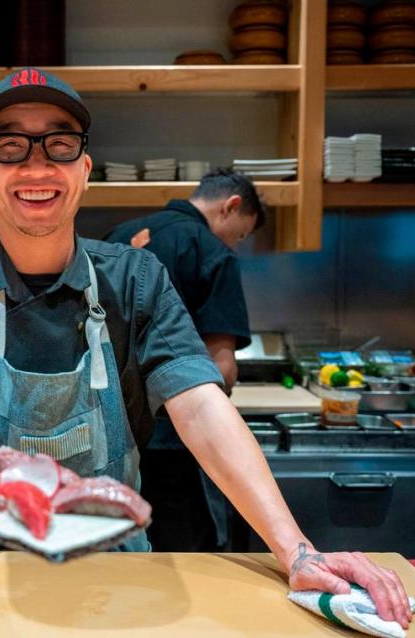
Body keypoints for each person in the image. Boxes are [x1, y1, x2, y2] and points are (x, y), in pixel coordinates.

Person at [0, 67, 413, 630]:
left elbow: (200, 406)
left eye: (60, 143)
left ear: (85, 170)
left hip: (120, 579)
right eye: (10, 144)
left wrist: (297, 551)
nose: (37, 164)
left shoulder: (138, 280)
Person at [104, 171, 263, 553]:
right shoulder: (211, 251)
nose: (235, 243)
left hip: (106, 434)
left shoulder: (114, 237)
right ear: (231, 207)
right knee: (183, 551)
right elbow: (220, 366)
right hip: (174, 436)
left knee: (113, 552)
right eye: (240, 234)